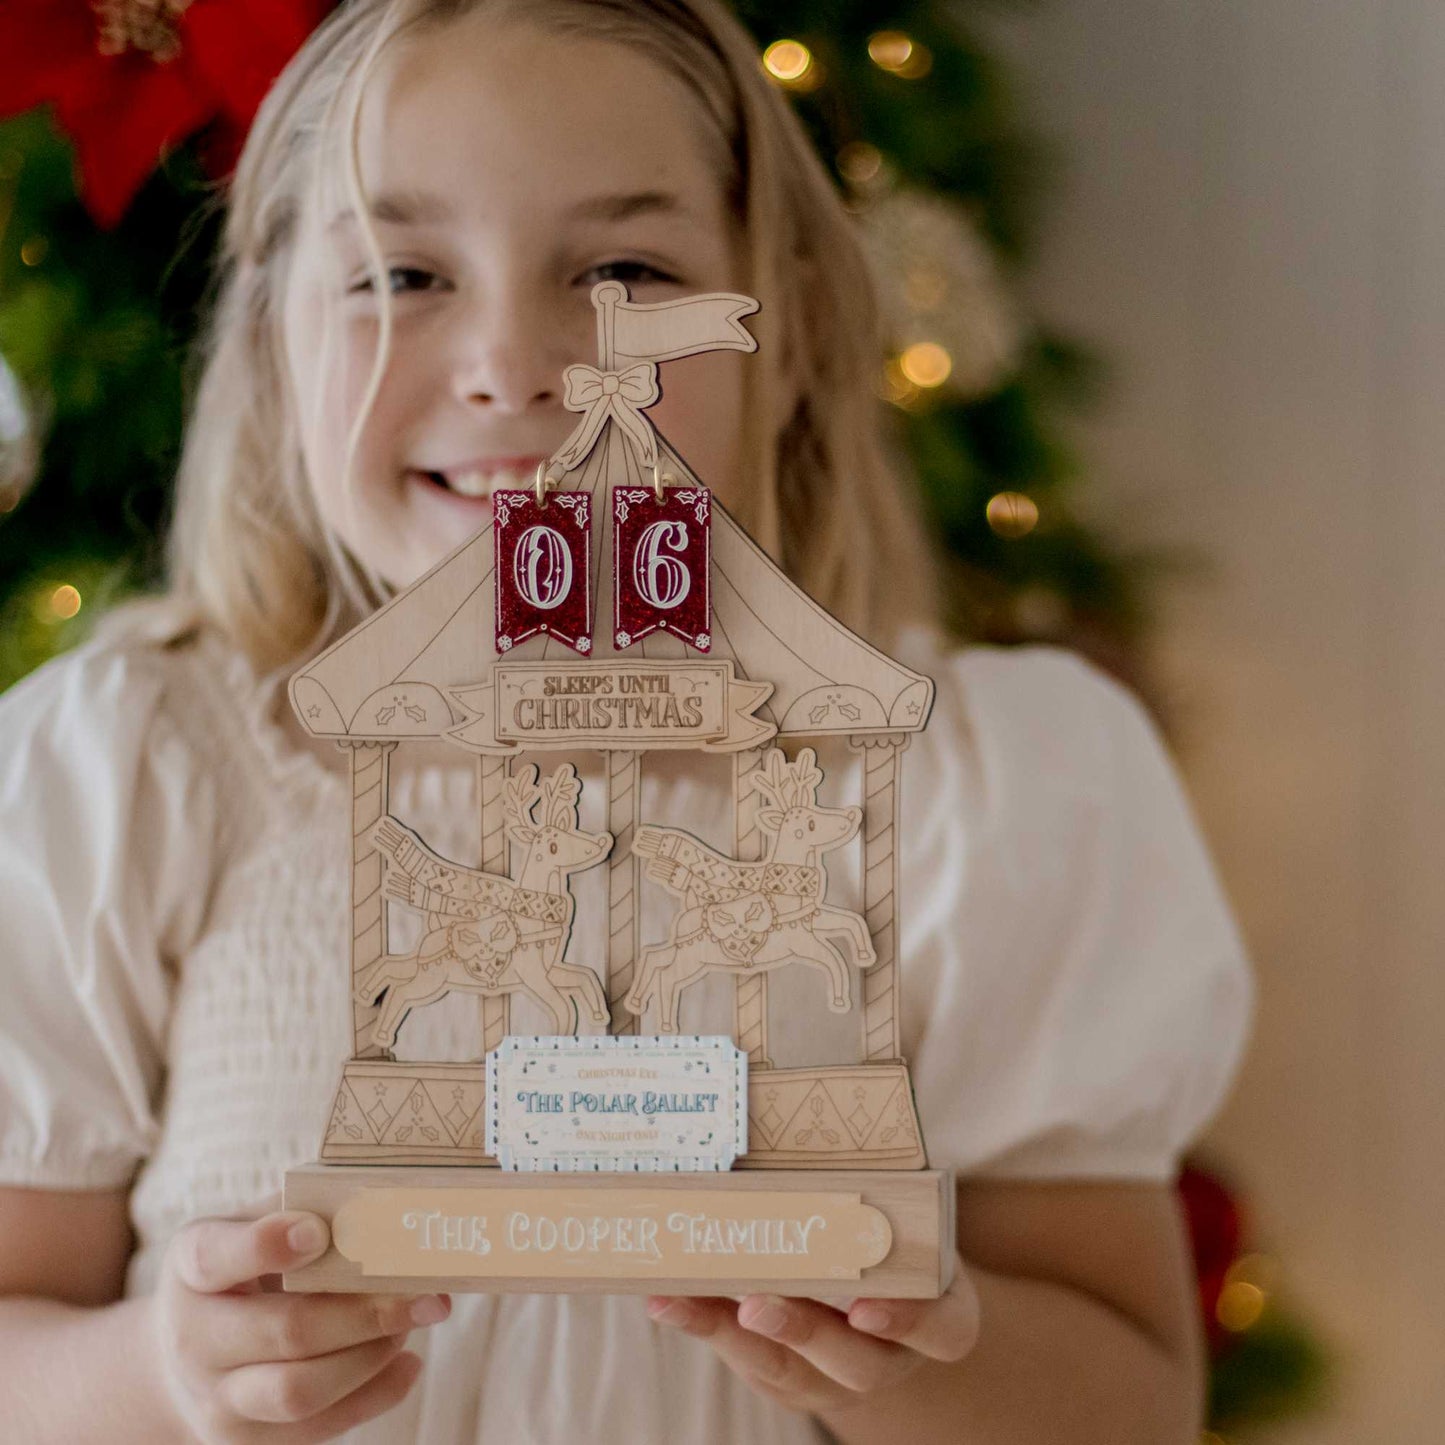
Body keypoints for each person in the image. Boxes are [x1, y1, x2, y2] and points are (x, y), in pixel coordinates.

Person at [0, 1, 1253, 1441]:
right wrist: (165, 1371)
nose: (512, 364)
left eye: (622, 271)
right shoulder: (127, 775)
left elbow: (1129, 1401)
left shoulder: (981, 786)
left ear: (780, 325)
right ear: (276, 336)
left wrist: (914, 1357)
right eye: (402, 273)